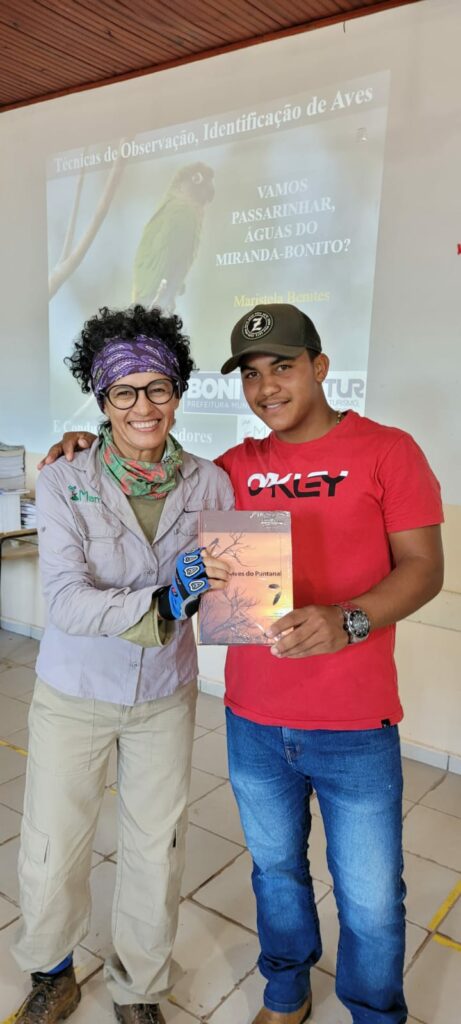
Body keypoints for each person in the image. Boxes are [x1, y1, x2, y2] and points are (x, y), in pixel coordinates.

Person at [44, 303, 444, 1024]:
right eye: (252, 375)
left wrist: (347, 618)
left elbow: (422, 569)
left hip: (353, 719)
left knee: (371, 895)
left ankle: (373, 1012)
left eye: (282, 367)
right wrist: (80, 442)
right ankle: (285, 994)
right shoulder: (231, 471)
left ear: (319, 368)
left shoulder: (386, 451)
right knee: (276, 875)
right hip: (254, 717)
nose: (267, 387)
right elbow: (136, 491)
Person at [12, 305, 233, 1024]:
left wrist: (236, 595)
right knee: (51, 843)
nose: (144, 407)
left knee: (155, 847)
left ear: (178, 390)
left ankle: (139, 988)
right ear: (101, 400)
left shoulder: (209, 484)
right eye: (124, 392)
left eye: (158, 387)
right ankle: (53, 970)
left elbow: (223, 592)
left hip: (164, 693)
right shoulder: (63, 479)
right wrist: (168, 597)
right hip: (74, 691)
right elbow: (70, 603)